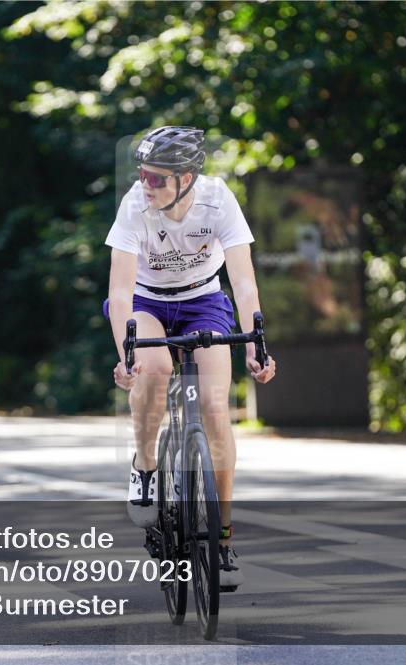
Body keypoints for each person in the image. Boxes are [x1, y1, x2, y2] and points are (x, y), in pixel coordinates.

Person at [104, 126, 277, 589]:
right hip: (148, 302)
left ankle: (221, 540)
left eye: (156, 177)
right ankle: (144, 467)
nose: (145, 183)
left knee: (217, 408)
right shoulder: (134, 206)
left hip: (204, 301)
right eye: (142, 174)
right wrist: (127, 352)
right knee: (156, 369)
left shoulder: (218, 201)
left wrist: (257, 345)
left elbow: (242, 282)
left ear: (186, 178)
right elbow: (119, 292)